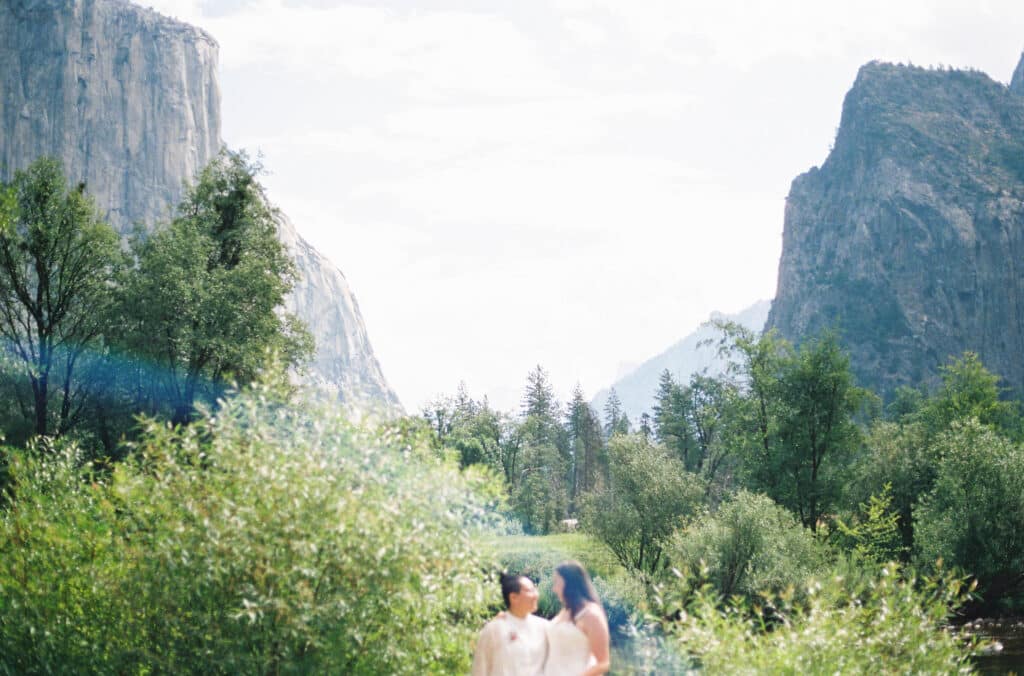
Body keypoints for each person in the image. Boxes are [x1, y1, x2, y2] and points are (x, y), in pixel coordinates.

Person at [472, 573, 549, 676]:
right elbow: (480, 669)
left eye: (535, 589)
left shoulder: (544, 627)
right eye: (530, 590)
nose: (536, 595)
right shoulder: (494, 629)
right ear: (513, 597)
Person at [544, 561, 610, 676]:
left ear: (569, 583)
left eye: (556, 582)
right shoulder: (565, 610)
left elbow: (603, 663)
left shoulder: (591, 614)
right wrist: (506, 618)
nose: (554, 589)